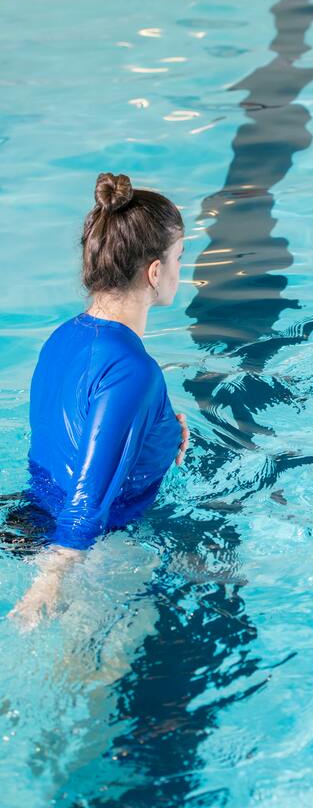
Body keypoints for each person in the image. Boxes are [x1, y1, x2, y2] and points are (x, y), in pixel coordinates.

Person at [7, 172, 189, 630]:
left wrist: (164, 437)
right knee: (90, 682)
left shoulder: (63, 336)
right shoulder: (134, 369)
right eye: (178, 259)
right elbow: (91, 493)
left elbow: (67, 437)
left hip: (27, 517)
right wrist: (52, 578)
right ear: (153, 271)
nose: (179, 272)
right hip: (91, 551)